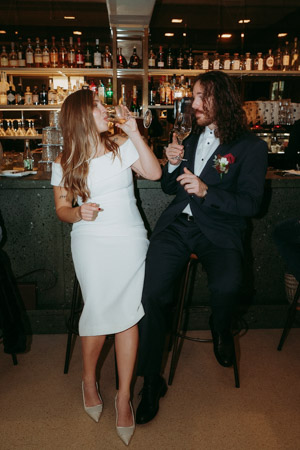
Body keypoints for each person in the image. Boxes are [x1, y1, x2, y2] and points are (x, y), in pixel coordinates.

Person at [135, 70, 268, 425]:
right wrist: (173, 163)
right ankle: (151, 382)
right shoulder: (191, 137)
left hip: (220, 230)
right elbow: (168, 188)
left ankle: (221, 326)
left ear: (219, 98)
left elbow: (252, 204)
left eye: (198, 97)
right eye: (192, 97)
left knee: (228, 287)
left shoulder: (251, 147)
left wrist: (208, 192)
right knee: (151, 296)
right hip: (179, 226)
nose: (192, 104)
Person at [51, 89, 161, 445]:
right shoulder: (65, 159)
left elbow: (154, 172)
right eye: (97, 105)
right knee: (98, 309)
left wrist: (133, 131)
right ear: (81, 115)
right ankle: (88, 380)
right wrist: (77, 212)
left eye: (102, 104)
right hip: (90, 240)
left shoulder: (118, 143)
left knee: (128, 314)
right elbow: (61, 210)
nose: (104, 109)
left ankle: (124, 395)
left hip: (130, 238)